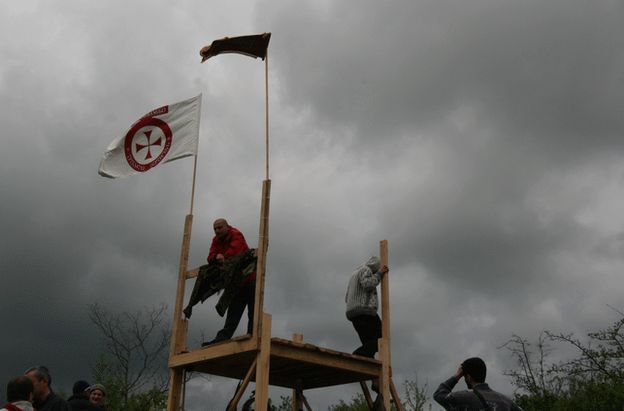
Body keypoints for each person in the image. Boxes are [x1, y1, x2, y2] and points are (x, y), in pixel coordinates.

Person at [202, 218, 256, 346]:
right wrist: (216, 257)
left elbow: (235, 252)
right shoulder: (216, 240)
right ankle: (222, 339)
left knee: (253, 311)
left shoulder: (236, 235)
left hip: (250, 278)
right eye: (215, 229)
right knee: (233, 314)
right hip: (235, 282)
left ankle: (253, 336)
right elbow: (210, 256)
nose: (217, 231)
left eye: (220, 228)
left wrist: (222, 256)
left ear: (227, 226)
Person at [434, 357, 523, 411]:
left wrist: (457, 375)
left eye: (464, 376)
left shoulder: (463, 398)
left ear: (468, 377)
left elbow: (439, 394)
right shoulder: (506, 401)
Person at [345, 256, 388, 358]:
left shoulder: (354, 274)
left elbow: (346, 297)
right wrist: (379, 273)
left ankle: (366, 358)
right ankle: (358, 354)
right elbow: (368, 284)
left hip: (352, 313)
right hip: (364, 310)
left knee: (368, 341)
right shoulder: (366, 269)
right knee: (382, 337)